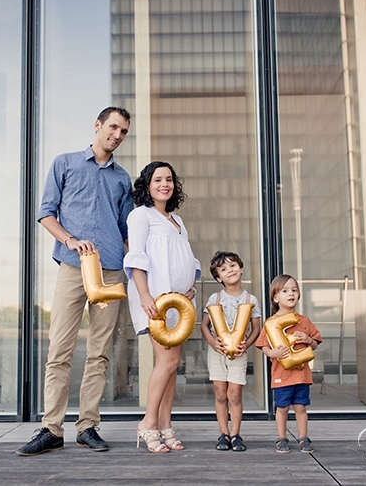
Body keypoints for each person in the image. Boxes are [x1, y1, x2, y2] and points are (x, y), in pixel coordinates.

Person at [16, 106, 133, 456]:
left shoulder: (122, 178)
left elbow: (127, 230)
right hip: (73, 266)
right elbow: (45, 212)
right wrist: (69, 240)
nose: (117, 134)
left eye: (124, 131)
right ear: (98, 126)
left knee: (99, 353)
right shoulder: (64, 163)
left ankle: (87, 426)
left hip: (111, 269)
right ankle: (51, 429)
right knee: (59, 352)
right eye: (113, 126)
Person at [124, 161, 200, 453]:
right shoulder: (141, 216)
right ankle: (148, 423)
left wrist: (191, 286)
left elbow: (187, 258)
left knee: (172, 365)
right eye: (157, 180)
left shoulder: (177, 221)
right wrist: (144, 295)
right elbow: (137, 257)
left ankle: (165, 425)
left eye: (168, 179)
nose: (164, 184)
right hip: (155, 298)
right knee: (166, 362)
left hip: (179, 303)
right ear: (147, 185)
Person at [201, 251, 262, 452]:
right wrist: (212, 342)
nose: (230, 271)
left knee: (234, 395)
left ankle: (236, 434)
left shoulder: (250, 299)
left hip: (238, 353)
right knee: (220, 394)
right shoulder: (215, 297)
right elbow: (204, 325)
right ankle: (223, 434)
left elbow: (256, 328)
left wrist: (247, 344)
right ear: (218, 277)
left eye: (233, 266)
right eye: (224, 269)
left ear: (241, 268)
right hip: (217, 353)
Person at [255, 274, 322, 454]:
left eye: (294, 290)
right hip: (281, 376)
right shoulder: (270, 323)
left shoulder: (304, 320)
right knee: (282, 407)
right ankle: (281, 438)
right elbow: (263, 346)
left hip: (301, 375)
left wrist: (308, 339)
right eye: (285, 291)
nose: (290, 294)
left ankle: (303, 437)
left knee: (301, 407)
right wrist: (273, 353)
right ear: (276, 298)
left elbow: (315, 343)